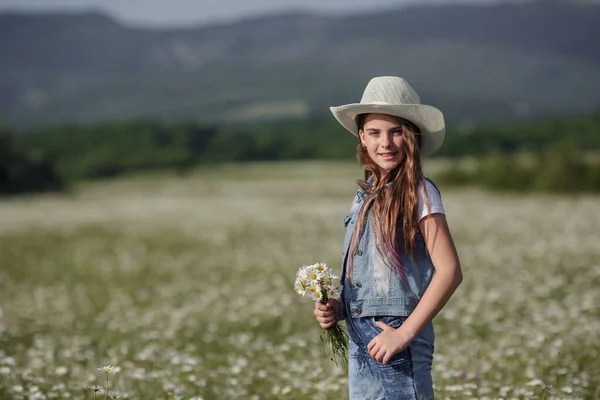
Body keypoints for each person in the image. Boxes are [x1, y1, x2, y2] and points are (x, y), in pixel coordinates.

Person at [314, 76, 463, 399]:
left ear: (413, 137)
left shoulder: (420, 192)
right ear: (362, 139)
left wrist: (404, 334)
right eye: (375, 133)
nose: (386, 143)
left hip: (397, 335)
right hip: (360, 334)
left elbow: (450, 271)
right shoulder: (364, 196)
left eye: (397, 131)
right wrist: (340, 307)